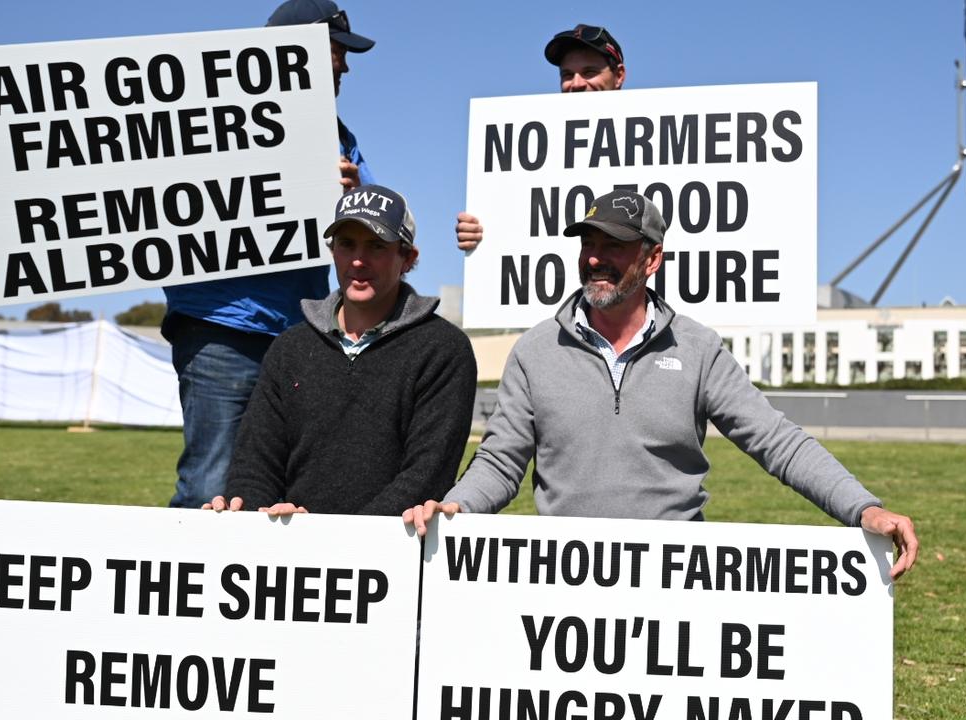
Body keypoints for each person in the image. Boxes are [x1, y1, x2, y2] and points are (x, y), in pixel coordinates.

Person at [407, 191, 919, 579]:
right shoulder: (535, 351)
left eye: (615, 246)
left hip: (673, 582)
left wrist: (864, 508)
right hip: (563, 580)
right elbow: (500, 461)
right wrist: (459, 505)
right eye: (589, 244)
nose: (594, 257)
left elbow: (776, 440)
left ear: (652, 260)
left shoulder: (697, 349)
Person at [164, 0, 378, 508]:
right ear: (291, 52)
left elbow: (382, 226)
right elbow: (108, 181)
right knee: (208, 486)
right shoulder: (201, 120)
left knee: (283, 489)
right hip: (219, 330)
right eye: (335, 52)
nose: (345, 66)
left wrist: (350, 201)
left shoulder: (340, 141)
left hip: (298, 336)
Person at [206, 185, 476, 516]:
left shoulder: (443, 349)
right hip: (288, 552)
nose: (358, 261)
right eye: (347, 244)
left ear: (408, 258)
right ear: (333, 252)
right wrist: (260, 518)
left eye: (376, 246)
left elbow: (426, 476)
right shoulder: (289, 348)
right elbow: (254, 464)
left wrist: (336, 547)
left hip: (388, 555)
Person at [455, 24, 626, 252]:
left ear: (619, 76)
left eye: (589, 72)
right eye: (567, 74)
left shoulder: (656, 139)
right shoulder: (534, 149)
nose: (576, 84)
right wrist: (480, 231)